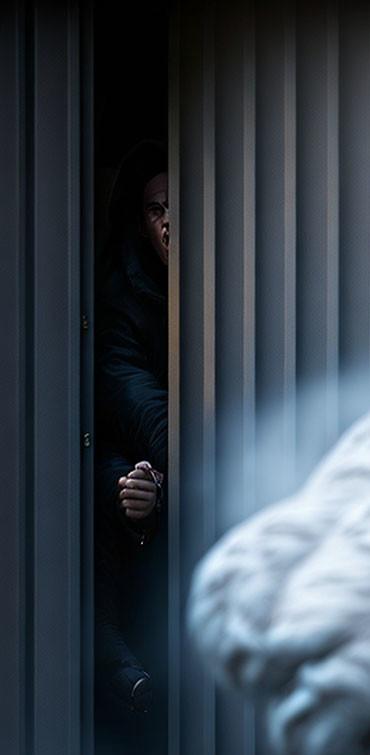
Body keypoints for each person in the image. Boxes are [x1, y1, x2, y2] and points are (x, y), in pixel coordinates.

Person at [94, 140, 169, 712]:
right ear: (144, 227)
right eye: (157, 210)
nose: (171, 222)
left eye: (181, 205)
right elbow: (144, 412)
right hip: (131, 487)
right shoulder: (124, 303)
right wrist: (145, 491)